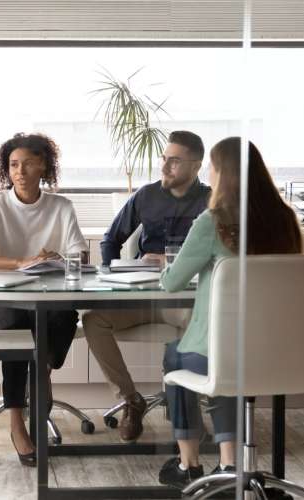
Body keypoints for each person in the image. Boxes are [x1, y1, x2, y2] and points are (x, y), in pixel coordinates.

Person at [157, 137, 304, 490]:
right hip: (277, 351)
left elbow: (172, 283)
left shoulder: (213, 221)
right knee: (229, 360)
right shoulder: (285, 219)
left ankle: (188, 463)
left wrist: (168, 265)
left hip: (224, 353)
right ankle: (228, 463)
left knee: (179, 355)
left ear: (222, 173)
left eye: (213, 166)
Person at [82, 131, 211, 442]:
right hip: (140, 295)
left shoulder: (211, 201)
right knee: (92, 319)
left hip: (181, 300)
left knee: (199, 324)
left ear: (196, 166)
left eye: (174, 162)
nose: (164, 168)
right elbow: (111, 240)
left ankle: (186, 411)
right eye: (164, 159)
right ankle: (130, 399)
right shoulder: (145, 196)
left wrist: (177, 262)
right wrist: (111, 274)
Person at [0, 132, 88, 467]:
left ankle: (45, 370)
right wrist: (22, 263)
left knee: (65, 315)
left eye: (27, 163)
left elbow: (79, 253)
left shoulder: (61, 206)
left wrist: (58, 258)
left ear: (43, 166)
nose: (19, 171)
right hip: (2, 299)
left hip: (47, 297)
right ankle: (16, 423)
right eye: (13, 164)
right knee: (18, 332)